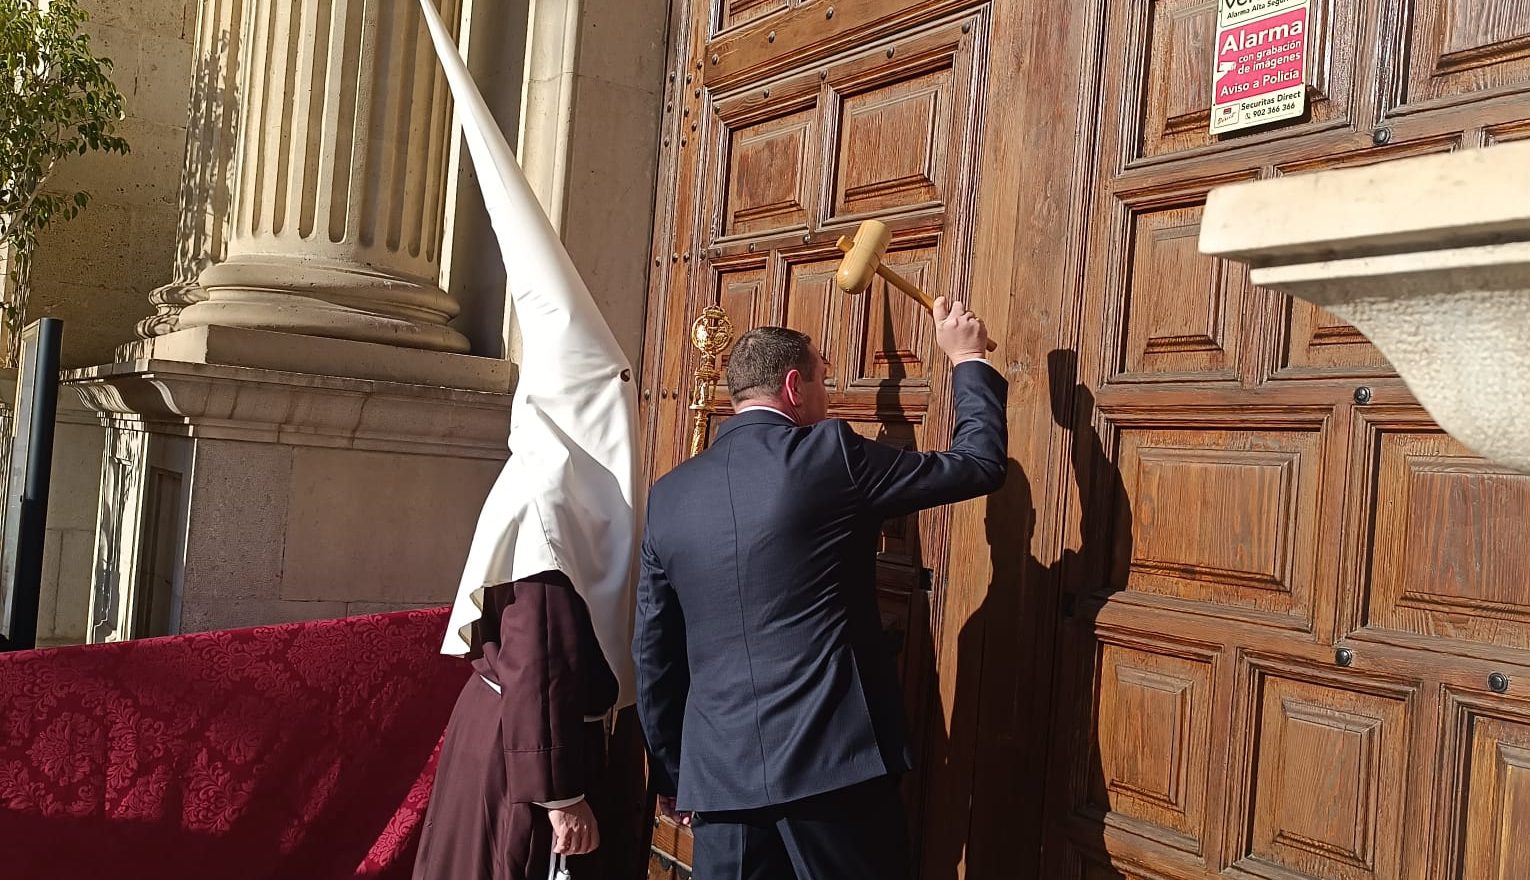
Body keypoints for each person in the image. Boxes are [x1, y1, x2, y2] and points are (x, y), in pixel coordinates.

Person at [633, 297, 1008, 879]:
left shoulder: (670, 495)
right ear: (792, 385)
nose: (827, 396)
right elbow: (979, 465)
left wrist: (675, 773)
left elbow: (654, 653)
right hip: (833, 771)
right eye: (823, 380)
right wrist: (967, 357)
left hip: (720, 783)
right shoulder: (831, 454)